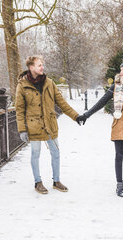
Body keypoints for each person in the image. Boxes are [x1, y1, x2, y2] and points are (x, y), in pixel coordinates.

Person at [76, 61, 123, 197]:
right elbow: (101, 102)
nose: (121, 72)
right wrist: (86, 115)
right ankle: (119, 185)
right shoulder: (116, 87)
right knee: (119, 156)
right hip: (119, 126)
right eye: (121, 69)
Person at [15, 55, 80, 194]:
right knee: (35, 153)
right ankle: (38, 182)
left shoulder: (49, 83)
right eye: (39, 65)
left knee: (56, 152)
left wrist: (76, 116)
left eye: (42, 64)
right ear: (31, 67)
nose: (42, 67)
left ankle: (56, 181)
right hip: (33, 126)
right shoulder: (22, 85)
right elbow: (19, 110)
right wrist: (22, 130)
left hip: (50, 124)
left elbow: (62, 103)